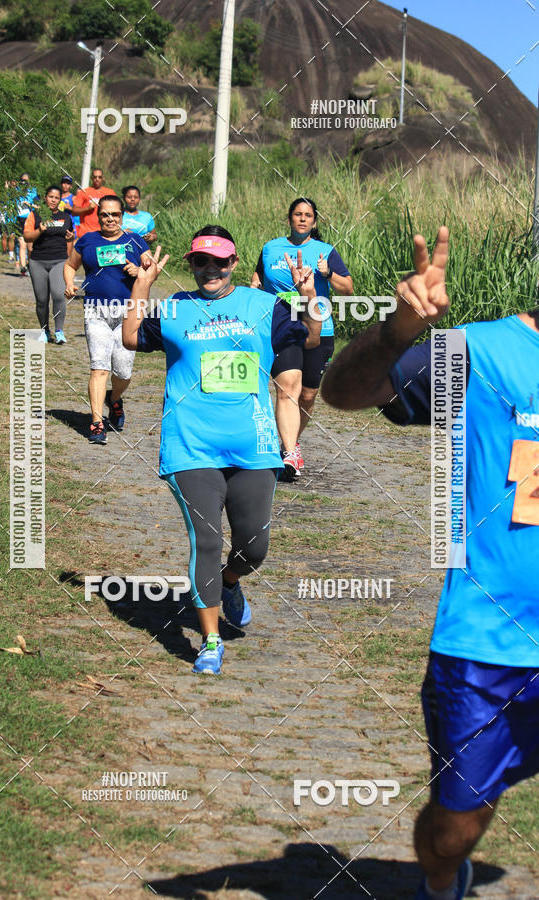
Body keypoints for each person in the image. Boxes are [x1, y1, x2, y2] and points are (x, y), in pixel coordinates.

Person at [320, 226, 539, 900]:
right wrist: (397, 332)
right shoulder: (485, 354)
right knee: (456, 827)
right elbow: (345, 393)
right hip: (491, 641)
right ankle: (442, 877)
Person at [122, 225, 322, 675]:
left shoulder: (265, 305)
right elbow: (130, 337)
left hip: (253, 445)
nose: (209, 269)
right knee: (207, 539)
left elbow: (308, 338)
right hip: (191, 445)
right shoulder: (174, 308)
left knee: (254, 547)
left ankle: (231, 582)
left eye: (219, 261)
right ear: (192, 265)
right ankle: (210, 640)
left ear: (234, 263)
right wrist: (142, 285)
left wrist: (310, 298)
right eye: (200, 261)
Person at [251, 197, 353, 480]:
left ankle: (291, 441)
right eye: (298, 214)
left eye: (308, 215)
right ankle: (288, 449)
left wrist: (328, 273)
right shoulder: (271, 248)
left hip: (318, 327)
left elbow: (347, 288)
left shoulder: (325, 251)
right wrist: (254, 286)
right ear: (290, 219)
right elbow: (258, 276)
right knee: (287, 387)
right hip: (281, 325)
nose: (303, 219)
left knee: (307, 395)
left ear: (315, 222)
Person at [63, 194, 149, 443]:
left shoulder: (135, 240)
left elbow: (151, 266)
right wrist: (70, 284)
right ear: (98, 216)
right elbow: (70, 265)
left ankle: (114, 399)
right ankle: (97, 423)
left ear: (122, 216)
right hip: (96, 311)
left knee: (123, 370)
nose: (110, 219)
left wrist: (140, 269)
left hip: (127, 313)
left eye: (115, 214)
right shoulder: (87, 241)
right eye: (105, 214)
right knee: (100, 367)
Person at [24, 185, 75, 344]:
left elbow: (70, 239)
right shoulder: (35, 215)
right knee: (41, 299)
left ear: (60, 200)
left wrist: (70, 241)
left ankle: (59, 331)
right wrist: (40, 230)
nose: (53, 200)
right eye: (51, 197)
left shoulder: (66, 217)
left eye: (57, 198)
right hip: (38, 261)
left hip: (59, 260)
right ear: (45, 197)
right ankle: (45, 331)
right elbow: (27, 237)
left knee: (59, 295)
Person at [70, 168, 115, 238]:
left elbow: (117, 211)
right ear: (91, 178)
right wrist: (87, 208)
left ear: (103, 178)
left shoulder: (110, 192)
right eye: (95, 177)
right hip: (86, 233)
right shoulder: (84, 192)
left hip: (105, 233)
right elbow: (74, 211)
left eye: (99, 177)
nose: (97, 179)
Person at [15, 174, 39, 275]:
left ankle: (30, 265)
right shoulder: (16, 191)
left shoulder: (33, 192)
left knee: (30, 246)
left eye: (26, 181)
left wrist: (29, 204)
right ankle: (23, 268)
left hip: (30, 219)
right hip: (19, 219)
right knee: (22, 244)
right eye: (22, 181)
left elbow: (38, 206)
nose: (24, 183)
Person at [58, 174, 80, 247]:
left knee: (70, 246)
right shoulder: (57, 196)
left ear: (71, 186)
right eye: (64, 183)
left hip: (70, 225)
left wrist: (70, 208)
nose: (65, 185)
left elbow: (79, 212)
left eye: (68, 183)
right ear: (61, 184)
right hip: (58, 224)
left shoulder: (73, 198)